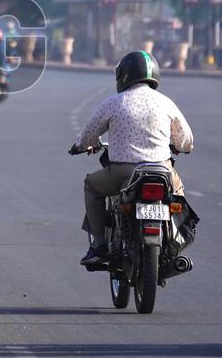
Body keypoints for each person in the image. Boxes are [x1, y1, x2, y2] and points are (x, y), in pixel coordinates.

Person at [72, 51, 194, 266]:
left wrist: (82, 146)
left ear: (124, 76)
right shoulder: (166, 103)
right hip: (162, 172)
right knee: (177, 197)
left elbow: (89, 135)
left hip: (123, 173)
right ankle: (175, 242)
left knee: (91, 186)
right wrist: (179, 147)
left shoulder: (114, 102)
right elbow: (186, 141)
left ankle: (99, 243)